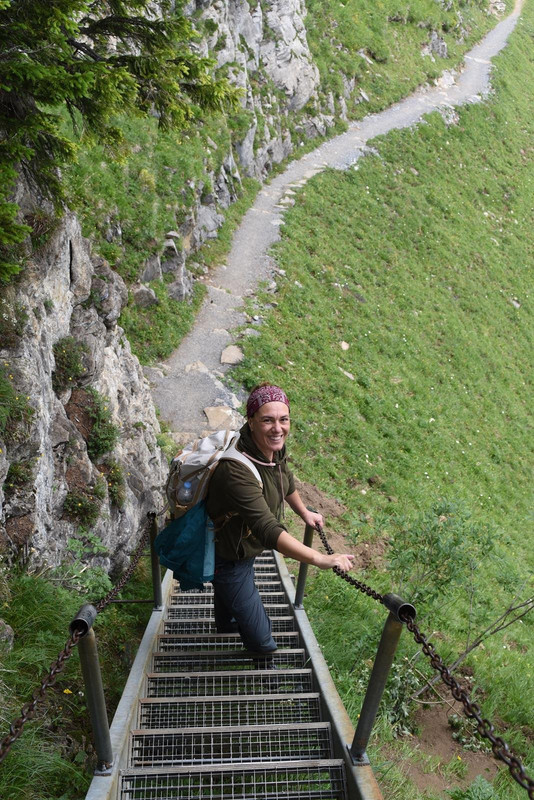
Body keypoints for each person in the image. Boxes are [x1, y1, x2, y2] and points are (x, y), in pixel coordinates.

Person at [206, 382, 355, 658]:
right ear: (251, 422)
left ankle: (225, 628)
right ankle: (263, 662)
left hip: (241, 546)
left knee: (231, 596)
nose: (278, 428)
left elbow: (285, 482)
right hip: (227, 558)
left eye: (283, 419)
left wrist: (304, 512)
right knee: (262, 638)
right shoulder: (235, 471)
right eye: (267, 420)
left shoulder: (270, 449)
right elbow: (267, 529)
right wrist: (320, 559)